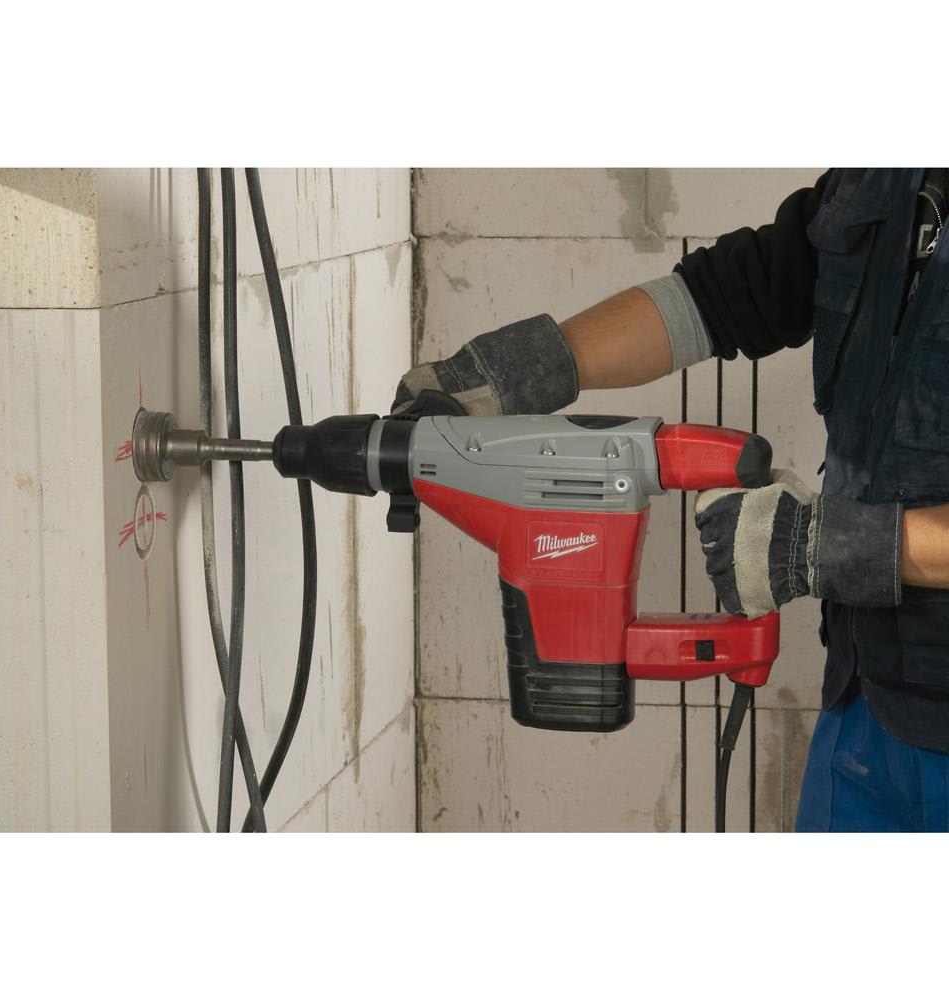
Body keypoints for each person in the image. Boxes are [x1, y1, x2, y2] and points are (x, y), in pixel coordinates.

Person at [394, 168, 949, 832]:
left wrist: (824, 546)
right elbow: (720, 299)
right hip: (865, 703)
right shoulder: (887, 179)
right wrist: (518, 370)